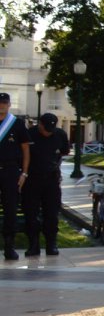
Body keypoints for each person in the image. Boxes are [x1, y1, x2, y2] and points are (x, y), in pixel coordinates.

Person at [20, 112, 71, 257]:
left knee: (52, 214)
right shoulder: (29, 134)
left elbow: (64, 152)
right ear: (40, 124)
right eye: (46, 128)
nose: (48, 132)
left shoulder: (60, 134)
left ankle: (51, 244)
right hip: (32, 179)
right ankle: (33, 245)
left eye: (51, 129)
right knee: (31, 213)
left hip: (51, 179)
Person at [0, 92, 25, 261]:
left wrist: (24, 172)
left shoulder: (16, 124)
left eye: (4, 103)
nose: (1, 105)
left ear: (9, 104)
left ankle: (9, 247)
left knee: (10, 208)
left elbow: (25, 149)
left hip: (10, 171)